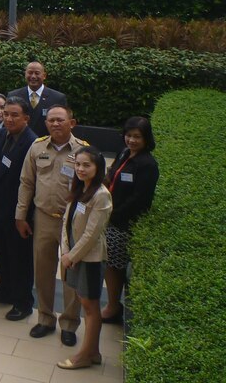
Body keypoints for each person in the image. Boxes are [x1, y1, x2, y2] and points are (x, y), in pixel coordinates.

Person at [16, 105, 88, 346]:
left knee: (70, 273)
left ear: (72, 122)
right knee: (43, 271)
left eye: (60, 120)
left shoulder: (84, 151)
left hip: (72, 221)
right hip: (43, 218)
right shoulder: (37, 147)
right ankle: (45, 318)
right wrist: (21, 215)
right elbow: (26, 182)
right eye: (50, 120)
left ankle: (69, 323)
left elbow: (94, 187)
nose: (55, 124)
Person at [56, 147, 113, 370]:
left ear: (98, 168)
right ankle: (94, 352)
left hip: (89, 259)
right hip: (74, 255)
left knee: (90, 308)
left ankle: (85, 356)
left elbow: (92, 234)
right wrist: (65, 251)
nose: (80, 169)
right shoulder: (80, 188)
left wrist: (72, 255)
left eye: (86, 165)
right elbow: (66, 222)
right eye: (78, 164)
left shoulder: (101, 195)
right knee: (85, 303)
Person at [0, 96, 37, 321]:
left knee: (19, 258)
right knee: (2, 253)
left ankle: (23, 302)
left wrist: (22, 215)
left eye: (15, 115)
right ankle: (4, 291)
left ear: (26, 117)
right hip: (0, 207)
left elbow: (31, 184)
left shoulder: (32, 143)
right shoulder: (3, 134)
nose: (9, 118)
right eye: (6, 114)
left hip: (19, 211)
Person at [101, 116, 158, 325]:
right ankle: (113, 303)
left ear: (146, 139)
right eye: (129, 135)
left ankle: (113, 307)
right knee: (109, 263)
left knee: (115, 266)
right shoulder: (125, 153)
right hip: (110, 217)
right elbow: (111, 176)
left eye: (137, 137)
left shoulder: (147, 164)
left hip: (122, 224)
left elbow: (140, 199)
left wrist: (113, 215)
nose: (132, 140)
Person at [9, 61, 69, 137]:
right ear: (25, 74)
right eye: (30, 73)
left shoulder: (57, 98)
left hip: (47, 145)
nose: (33, 76)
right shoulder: (14, 95)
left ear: (44, 76)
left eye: (37, 73)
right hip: (19, 144)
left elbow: (63, 125)